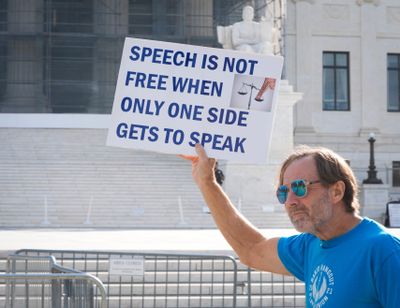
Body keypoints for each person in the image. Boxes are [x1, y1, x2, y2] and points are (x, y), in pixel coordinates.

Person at [181, 144, 400, 307]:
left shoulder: (383, 250)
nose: (290, 201)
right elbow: (251, 249)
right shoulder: (311, 245)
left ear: (336, 191)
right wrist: (207, 182)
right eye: (283, 192)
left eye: (300, 188)